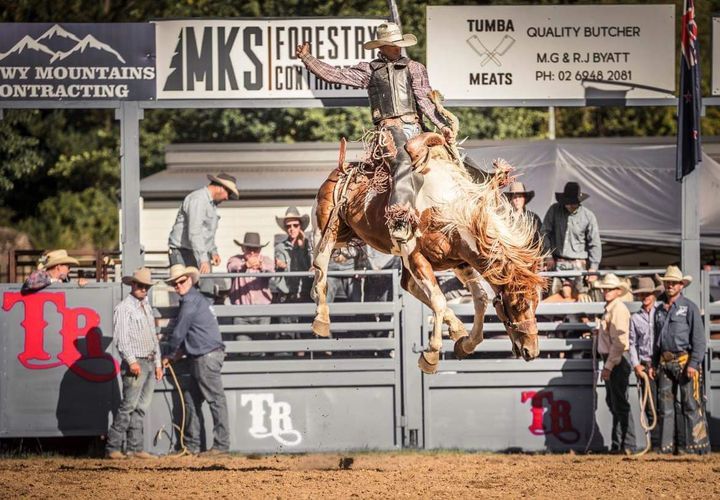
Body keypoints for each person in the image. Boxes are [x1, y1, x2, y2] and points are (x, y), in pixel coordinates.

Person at [297, 22, 454, 250]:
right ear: (382, 46)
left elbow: (425, 101)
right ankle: (399, 217)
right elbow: (335, 75)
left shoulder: (415, 68)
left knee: (451, 156)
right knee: (402, 160)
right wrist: (308, 59)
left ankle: (485, 193)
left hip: (416, 127)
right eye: (392, 44)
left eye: (398, 43)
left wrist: (442, 126)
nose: (397, 48)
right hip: (389, 129)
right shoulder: (370, 70)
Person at [162, 264, 229, 456]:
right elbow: (191, 331)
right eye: (175, 283)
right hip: (202, 355)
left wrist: (168, 353)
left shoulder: (190, 301)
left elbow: (179, 331)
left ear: (190, 280)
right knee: (192, 400)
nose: (178, 286)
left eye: (181, 281)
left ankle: (220, 446)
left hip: (204, 356)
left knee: (214, 400)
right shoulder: (196, 300)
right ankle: (192, 445)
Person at [651, 265, 710, 454]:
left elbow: (699, 339)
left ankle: (697, 447)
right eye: (667, 282)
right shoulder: (660, 310)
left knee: (691, 405)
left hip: (685, 361)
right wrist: (653, 363)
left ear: (680, 285)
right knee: (665, 407)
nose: (670, 285)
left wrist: (694, 363)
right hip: (665, 362)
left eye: (673, 283)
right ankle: (667, 448)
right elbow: (657, 340)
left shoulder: (689, 308)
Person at [106, 268, 162, 460]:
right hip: (137, 361)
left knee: (140, 407)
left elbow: (154, 338)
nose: (144, 289)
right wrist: (131, 361)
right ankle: (113, 446)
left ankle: (134, 448)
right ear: (133, 285)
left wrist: (158, 364)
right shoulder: (124, 308)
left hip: (147, 360)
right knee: (129, 406)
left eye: (146, 286)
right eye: (141, 285)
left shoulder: (145, 307)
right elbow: (121, 339)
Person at [167, 173, 239, 295]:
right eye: (228, 193)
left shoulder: (211, 204)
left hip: (198, 252)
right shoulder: (198, 199)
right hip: (182, 251)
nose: (227, 198)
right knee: (186, 290)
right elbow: (194, 232)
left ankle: (204, 313)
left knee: (207, 291)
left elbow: (206, 233)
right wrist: (203, 259)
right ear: (221, 187)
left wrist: (213, 251)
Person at [594, 273, 635, 453]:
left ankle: (628, 444)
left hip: (616, 359)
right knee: (615, 402)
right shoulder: (611, 308)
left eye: (610, 289)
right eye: (605, 288)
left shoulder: (617, 310)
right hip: (613, 358)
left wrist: (608, 366)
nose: (606, 291)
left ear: (618, 291)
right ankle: (619, 444)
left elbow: (619, 343)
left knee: (619, 403)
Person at [541, 182, 601, 294]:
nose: (569, 206)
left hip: (579, 266)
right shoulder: (554, 210)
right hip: (557, 263)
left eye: (572, 203)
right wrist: (548, 255)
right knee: (552, 297)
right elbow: (544, 233)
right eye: (567, 203)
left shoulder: (588, 216)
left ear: (579, 202)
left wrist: (593, 267)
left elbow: (595, 243)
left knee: (581, 299)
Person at [628, 276, 661, 449]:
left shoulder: (662, 312)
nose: (645, 297)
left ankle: (668, 443)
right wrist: (636, 364)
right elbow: (632, 343)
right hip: (645, 364)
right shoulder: (635, 318)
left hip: (660, 364)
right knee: (649, 406)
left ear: (654, 294)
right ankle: (655, 444)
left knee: (665, 404)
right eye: (642, 294)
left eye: (648, 293)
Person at [227, 232, 274, 331]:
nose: (252, 253)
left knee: (263, 345)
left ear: (260, 250)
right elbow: (232, 266)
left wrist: (261, 266)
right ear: (243, 249)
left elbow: (271, 270)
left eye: (255, 249)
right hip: (241, 313)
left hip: (263, 312)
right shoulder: (235, 259)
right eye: (249, 249)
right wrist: (244, 265)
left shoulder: (266, 260)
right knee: (242, 344)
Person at [21, 249, 87, 294]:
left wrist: (80, 282)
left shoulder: (65, 279)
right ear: (58, 267)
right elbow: (29, 283)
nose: (69, 270)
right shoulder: (42, 274)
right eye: (68, 267)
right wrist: (52, 281)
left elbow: (72, 285)